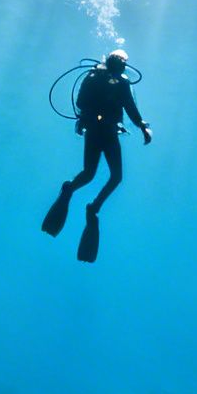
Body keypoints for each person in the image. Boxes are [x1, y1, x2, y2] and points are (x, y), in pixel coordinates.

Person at [43, 49, 151, 262]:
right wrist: (142, 126)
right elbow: (129, 107)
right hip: (108, 131)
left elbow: (81, 103)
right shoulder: (121, 82)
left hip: (93, 129)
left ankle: (69, 189)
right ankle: (93, 208)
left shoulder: (92, 76)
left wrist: (83, 120)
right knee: (115, 176)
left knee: (89, 173)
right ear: (122, 64)